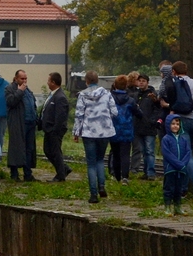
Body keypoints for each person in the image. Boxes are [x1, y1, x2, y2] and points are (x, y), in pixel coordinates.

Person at [161, 61, 193, 202]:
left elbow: (169, 99)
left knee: (185, 155)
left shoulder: (174, 82)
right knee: (189, 153)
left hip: (181, 120)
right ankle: (186, 188)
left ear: (174, 71)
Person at [72, 70, 117, 204]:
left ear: (86, 81)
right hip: (104, 132)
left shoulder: (82, 95)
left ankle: (93, 194)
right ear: (98, 80)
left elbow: (79, 115)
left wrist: (76, 132)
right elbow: (114, 112)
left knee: (91, 163)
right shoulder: (107, 94)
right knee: (99, 160)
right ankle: (102, 186)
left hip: (89, 132)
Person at [4, 69, 38, 181]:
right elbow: (11, 102)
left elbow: (32, 103)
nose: (24, 81)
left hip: (30, 123)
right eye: (22, 78)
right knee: (16, 148)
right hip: (18, 123)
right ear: (16, 78)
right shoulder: (10, 89)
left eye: (25, 78)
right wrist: (19, 91)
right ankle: (14, 174)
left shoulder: (27, 89)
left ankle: (27, 174)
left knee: (29, 149)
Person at [40, 71, 71, 181]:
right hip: (48, 129)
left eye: (49, 81)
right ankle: (64, 168)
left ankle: (60, 175)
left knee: (55, 152)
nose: (47, 83)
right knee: (48, 151)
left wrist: (55, 130)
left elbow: (60, 116)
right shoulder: (52, 95)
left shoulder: (60, 97)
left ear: (53, 82)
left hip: (54, 130)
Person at [132, 73, 162, 180]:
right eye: (139, 81)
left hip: (149, 127)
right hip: (138, 126)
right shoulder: (135, 95)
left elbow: (158, 109)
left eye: (143, 81)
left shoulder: (152, 95)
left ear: (147, 83)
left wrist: (152, 121)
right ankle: (146, 172)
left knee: (149, 151)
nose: (141, 83)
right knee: (143, 151)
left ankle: (151, 173)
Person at [161, 114, 191, 216]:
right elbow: (167, 154)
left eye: (177, 124)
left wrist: (183, 164)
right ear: (168, 125)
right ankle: (167, 207)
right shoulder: (166, 139)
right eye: (173, 124)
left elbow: (188, 152)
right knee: (169, 188)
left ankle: (178, 206)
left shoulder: (183, 139)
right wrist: (178, 164)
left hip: (181, 169)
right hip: (171, 169)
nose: (175, 126)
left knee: (179, 188)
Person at [109, 75, 137, 184]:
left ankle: (117, 176)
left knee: (115, 154)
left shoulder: (110, 99)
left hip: (113, 130)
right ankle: (125, 176)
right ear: (126, 86)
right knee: (125, 154)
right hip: (127, 130)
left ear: (114, 85)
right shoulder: (130, 100)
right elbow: (139, 113)